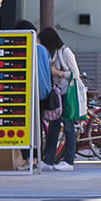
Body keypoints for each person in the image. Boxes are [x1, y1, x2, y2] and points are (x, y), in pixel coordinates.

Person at [40, 27, 84, 170]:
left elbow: (75, 75)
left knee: (69, 127)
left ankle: (69, 161)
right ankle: (48, 160)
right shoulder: (51, 54)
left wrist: (57, 72)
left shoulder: (65, 52)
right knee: (53, 126)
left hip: (69, 94)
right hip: (59, 95)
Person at [14, 19, 51, 170]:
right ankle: (36, 158)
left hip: (26, 93)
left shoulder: (21, 49)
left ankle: (28, 160)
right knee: (37, 127)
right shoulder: (42, 50)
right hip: (43, 92)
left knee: (24, 125)